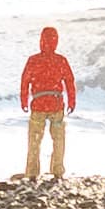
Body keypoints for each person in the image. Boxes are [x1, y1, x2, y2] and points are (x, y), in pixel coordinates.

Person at [18, 22, 77, 185]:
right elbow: (70, 82)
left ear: (41, 41)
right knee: (58, 139)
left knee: (35, 139)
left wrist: (24, 100)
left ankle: (31, 173)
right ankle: (57, 172)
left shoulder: (34, 60)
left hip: (38, 104)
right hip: (56, 104)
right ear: (56, 41)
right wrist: (72, 100)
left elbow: (25, 81)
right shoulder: (60, 60)